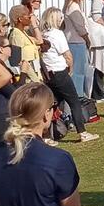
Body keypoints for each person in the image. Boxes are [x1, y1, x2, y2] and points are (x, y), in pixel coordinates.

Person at [42, 8, 97, 142]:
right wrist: (70, 68)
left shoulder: (44, 34)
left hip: (48, 73)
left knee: (53, 103)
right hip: (59, 71)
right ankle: (82, 132)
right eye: (60, 18)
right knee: (74, 102)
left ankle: (47, 135)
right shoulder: (57, 34)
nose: (62, 20)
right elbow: (67, 55)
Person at [62, 0, 93, 104]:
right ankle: (79, 96)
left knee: (78, 71)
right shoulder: (74, 8)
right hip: (76, 42)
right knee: (79, 72)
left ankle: (78, 95)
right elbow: (80, 28)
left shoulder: (69, 6)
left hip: (73, 41)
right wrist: (87, 39)